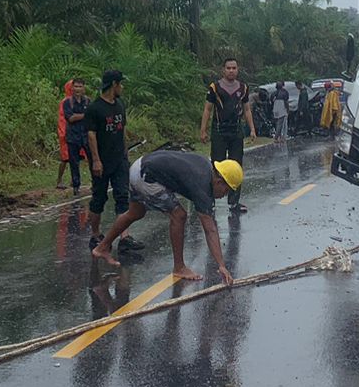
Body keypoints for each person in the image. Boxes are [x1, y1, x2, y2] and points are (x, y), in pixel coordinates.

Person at [92, 150, 243, 284]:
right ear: (219, 181)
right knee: (179, 215)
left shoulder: (206, 165)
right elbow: (210, 229)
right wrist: (221, 266)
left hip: (140, 166)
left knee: (135, 213)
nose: (224, 196)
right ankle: (179, 267)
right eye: (227, 191)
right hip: (147, 176)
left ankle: (102, 247)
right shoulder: (202, 186)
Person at [200, 58, 256, 213]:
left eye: (234, 68)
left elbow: (246, 110)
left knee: (236, 166)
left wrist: (252, 128)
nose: (231, 70)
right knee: (216, 166)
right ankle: (209, 202)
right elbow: (207, 110)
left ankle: (234, 202)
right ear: (223, 70)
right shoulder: (215, 87)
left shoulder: (243, 88)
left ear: (238, 70)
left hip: (236, 131)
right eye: (228, 68)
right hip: (219, 130)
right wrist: (203, 130)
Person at [86, 69, 132, 247]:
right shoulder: (94, 108)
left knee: (122, 196)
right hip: (102, 161)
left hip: (119, 159)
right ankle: (96, 234)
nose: (122, 87)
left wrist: (125, 152)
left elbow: (123, 130)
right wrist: (96, 160)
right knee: (99, 198)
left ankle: (125, 237)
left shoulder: (120, 104)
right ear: (114, 84)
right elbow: (91, 136)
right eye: (120, 83)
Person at [58, 78, 92, 191]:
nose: (77, 89)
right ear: (71, 88)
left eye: (80, 86)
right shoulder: (67, 102)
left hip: (85, 134)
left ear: (84, 88)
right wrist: (85, 115)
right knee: (72, 161)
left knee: (91, 159)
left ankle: (96, 183)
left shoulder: (87, 101)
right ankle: (75, 185)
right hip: (71, 135)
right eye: (75, 86)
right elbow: (69, 118)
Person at [271, 82, 290, 146]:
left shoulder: (274, 93)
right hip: (282, 108)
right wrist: (287, 109)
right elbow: (286, 102)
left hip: (275, 108)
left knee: (277, 123)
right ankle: (277, 137)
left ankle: (279, 137)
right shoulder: (285, 92)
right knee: (281, 123)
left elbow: (271, 101)